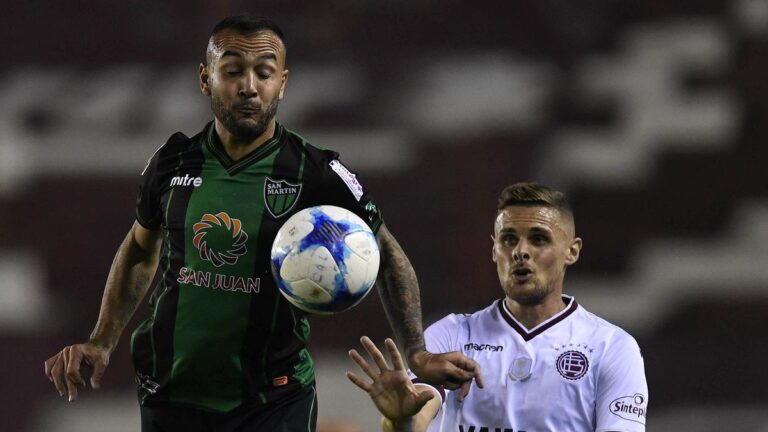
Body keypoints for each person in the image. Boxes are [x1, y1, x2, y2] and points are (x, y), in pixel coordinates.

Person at [43, 14, 481, 432]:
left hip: (273, 398)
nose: (249, 87)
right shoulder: (173, 160)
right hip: (172, 391)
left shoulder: (316, 172)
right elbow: (140, 249)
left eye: (264, 72)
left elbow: (386, 253)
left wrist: (417, 352)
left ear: (282, 84)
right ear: (206, 79)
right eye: (233, 71)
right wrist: (102, 340)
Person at [348, 182, 649, 432]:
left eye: (539, 239)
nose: (520, 252)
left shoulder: (611, 348)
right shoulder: (452, 335)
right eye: (509, 239)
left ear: (572, 251)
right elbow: (419, 410)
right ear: (494, 249)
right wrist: (401, 420)